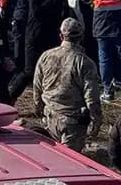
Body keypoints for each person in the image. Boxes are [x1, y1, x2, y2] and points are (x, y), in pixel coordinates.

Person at [33, 18, 102, 152]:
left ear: (61, 36)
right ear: (81, 37)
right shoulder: (85, 63)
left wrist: (39, 109)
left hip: (50, 116)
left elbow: (37, 86)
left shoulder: (46, 56)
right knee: (71, 163)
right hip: (73, 121)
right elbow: (92, 97)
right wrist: (96, 122)